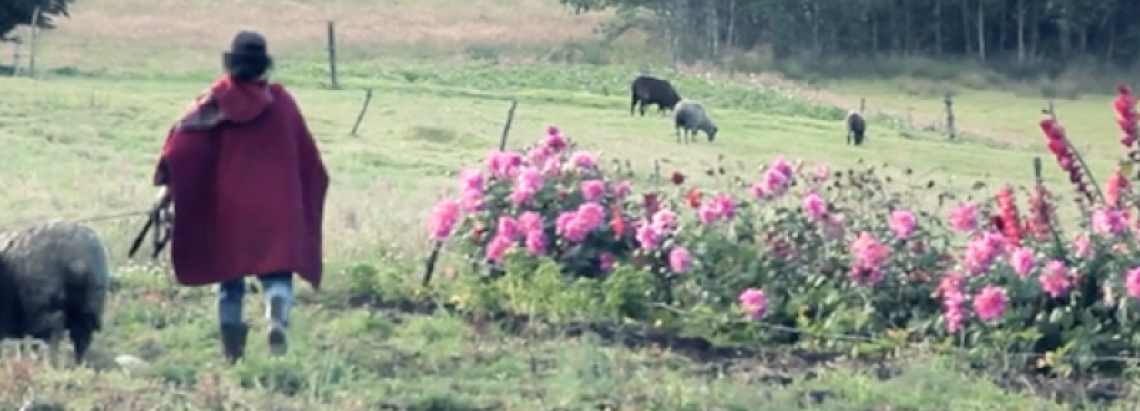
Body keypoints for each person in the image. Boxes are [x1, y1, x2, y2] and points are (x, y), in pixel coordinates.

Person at [152, 30, 329, 363]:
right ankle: (276, 309)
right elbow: (310, 161)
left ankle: (232, 353)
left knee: (229, 277)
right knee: (277, 273)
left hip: (229, 208)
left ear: (232, 63)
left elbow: (182, 147)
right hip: (278, 206)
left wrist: (169, 186)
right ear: (263, 64)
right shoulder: (283, 102)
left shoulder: (215, 101)